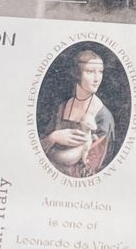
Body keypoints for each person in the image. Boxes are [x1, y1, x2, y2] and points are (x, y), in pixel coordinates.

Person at [40, 49, 115, 177]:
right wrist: (53, 137)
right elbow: (38, 149)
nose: (97, 79)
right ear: (77, 74)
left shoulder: (103, 117)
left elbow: (90, 170)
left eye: (100, 72)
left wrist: (53, 156)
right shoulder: (62, 108)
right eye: (90, 72)